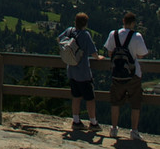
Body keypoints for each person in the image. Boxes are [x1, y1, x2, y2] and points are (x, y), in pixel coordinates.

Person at [104, 11, 149, 140]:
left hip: (117, 74)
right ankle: (134, 131)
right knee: (135, 103)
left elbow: (110, 53)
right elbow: (141, 55)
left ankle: (113, 129)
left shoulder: (113, 34)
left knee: (115, 102)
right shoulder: (137, 36)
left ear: (123, 21)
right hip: (133, 74)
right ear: (133, 23)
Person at [58, 12, 101, 131]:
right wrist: (98, 58)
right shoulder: (85, 34)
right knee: (90, 99)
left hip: (71, 70)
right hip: (83, 72)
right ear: (85, 23)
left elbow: (59, 39)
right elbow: (93, 52)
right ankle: (93, 122)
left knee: (76, 97)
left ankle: (76, 121)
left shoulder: (69, 31)